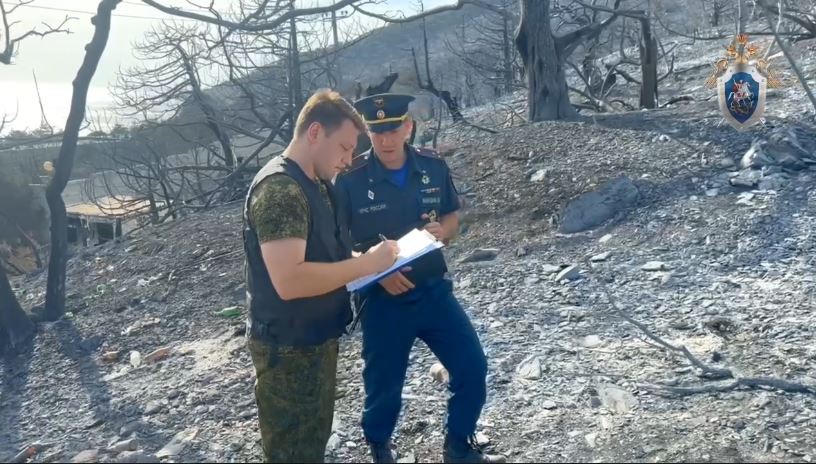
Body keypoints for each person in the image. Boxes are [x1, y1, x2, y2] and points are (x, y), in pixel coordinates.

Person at [334, 93, 504, 464]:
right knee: (384, 386)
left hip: (433, 292)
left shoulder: (432, 166)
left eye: (393, 129)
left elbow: (452, 217)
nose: (386, 139)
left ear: (408, 127)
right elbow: (336, 248)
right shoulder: (349, 181)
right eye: (377, 132)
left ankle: (459, 443)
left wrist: (444, 230)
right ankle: (380, 446)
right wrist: (377, 275)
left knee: (472, 366)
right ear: (368, 133)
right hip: (383, 301)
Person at [242, 89, 399, 463]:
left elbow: (325, 257)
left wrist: (373, 260)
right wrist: (366, 265)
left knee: (311, 443)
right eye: (344, 148)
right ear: (315, 133)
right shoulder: (280, 190)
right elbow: (290, 280)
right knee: (293, 452)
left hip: (314, 341)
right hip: (288, 349)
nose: (348, 160)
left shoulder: (316, 185)